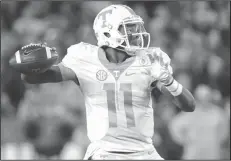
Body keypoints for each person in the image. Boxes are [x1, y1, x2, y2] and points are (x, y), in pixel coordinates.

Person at [21, 4, 195, 160]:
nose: (136, 34)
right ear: (108, 32)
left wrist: (169, 80)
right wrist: (34, 64)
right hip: (105, 153)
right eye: (128, 28)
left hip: (144, 152)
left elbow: (188, 106)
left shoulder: (148, 60)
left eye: (135, 27)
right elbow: (31, 78)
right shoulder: (84, 58)